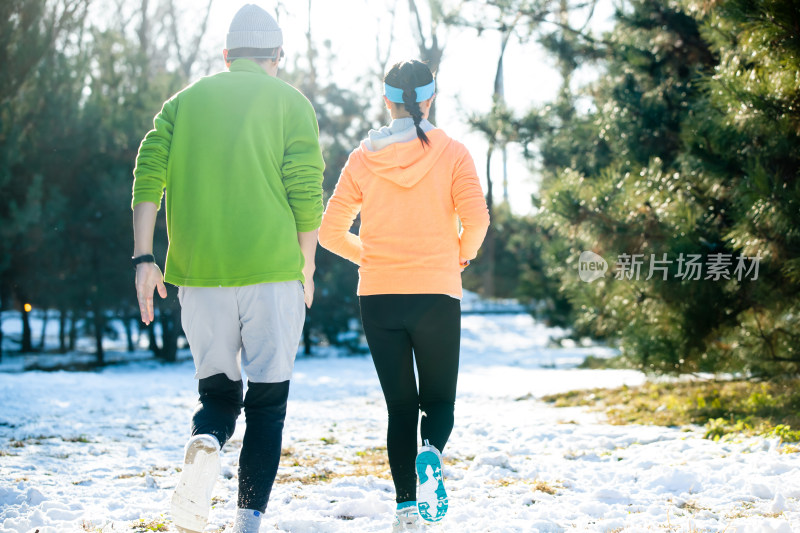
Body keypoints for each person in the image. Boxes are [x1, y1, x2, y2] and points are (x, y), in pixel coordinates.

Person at [131, 4, 324, 533]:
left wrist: (145, 258)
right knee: (267, 403)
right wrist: (306, 263)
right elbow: (305, 191)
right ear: (276, 57)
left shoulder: (183, 103)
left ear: (225, 56)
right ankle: (246, 521)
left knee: (217, 394)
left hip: (198, 275)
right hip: (272, 273)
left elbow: (148, 175)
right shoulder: (291, 102)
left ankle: (207, 440)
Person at [318, 59, 490, 531]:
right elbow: (477, 221)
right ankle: (430, 453)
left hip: (378, 296)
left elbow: (330, 232)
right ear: (431, 98)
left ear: (386, 98)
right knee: (439, 403)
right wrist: (459, 256)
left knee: (399, 407)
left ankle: (406, 509)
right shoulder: (454, 153)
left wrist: (371, 257)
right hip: (436, 292)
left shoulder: (362, 158)